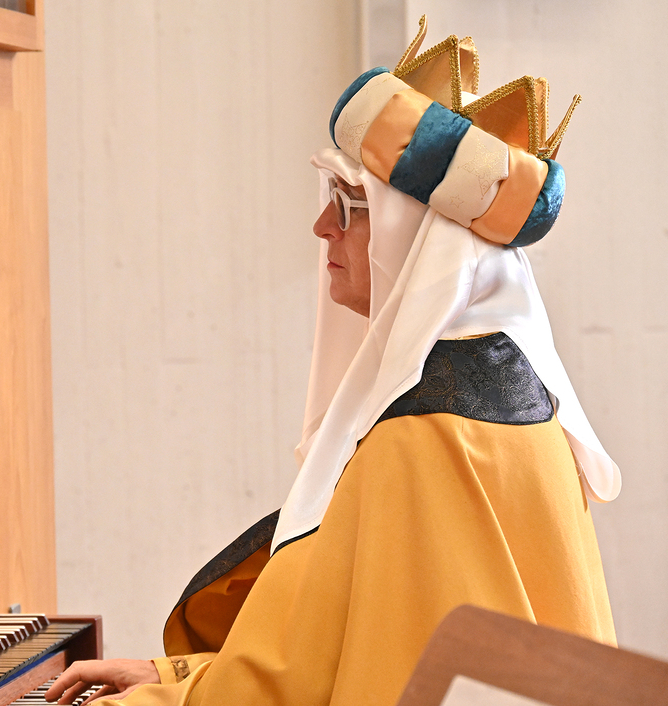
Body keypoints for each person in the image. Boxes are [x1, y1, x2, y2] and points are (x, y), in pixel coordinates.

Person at [46, 17, 619, 706]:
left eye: (350, 207)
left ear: (421, 237)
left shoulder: (427, 434)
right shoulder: (503, 386)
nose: (323, 229)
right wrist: (176, 677)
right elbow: (335, 650)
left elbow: (366, 688)